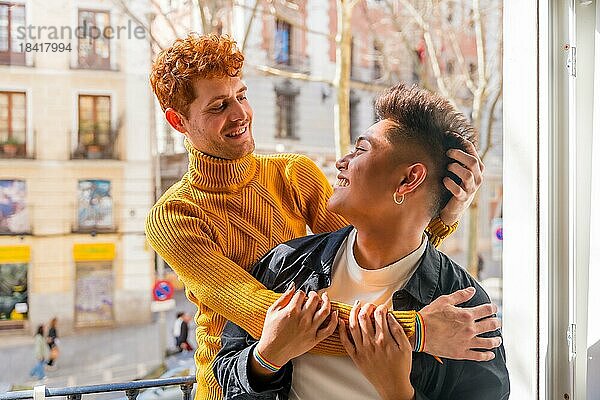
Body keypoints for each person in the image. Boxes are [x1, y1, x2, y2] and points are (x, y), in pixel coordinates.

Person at [145, 33, 497, 400]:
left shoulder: (294, 173)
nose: (241, 114)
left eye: (242, 95)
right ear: (178, 121)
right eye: (218, 107)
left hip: (301, 376)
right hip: (235, 383)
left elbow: (372, 251)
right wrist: (417, 331)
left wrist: (445, 212)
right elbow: (273, 319)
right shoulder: (174, 215)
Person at [214, 83, 510, 399]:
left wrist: (398, 392)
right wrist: (265, 358)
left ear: (408, 180)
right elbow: (227, 370)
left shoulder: (464, 311)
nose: (341, 162)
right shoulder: (287, 263)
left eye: (361, 149)